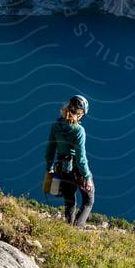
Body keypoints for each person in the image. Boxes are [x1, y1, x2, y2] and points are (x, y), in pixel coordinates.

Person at [44, 94, 95, 226]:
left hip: (62, 168)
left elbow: (50, 149)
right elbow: (81, 158)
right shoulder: (79, 131)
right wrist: (87, 177)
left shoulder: (56, 126)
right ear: (80, 113)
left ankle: (69, 227)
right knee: (89, 200)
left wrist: (49, 168)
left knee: (69, 200)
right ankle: (77, 228)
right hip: (77, 170)